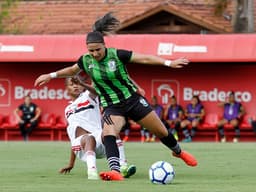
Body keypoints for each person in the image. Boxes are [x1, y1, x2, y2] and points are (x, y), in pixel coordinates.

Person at [34, 12, 197, 181]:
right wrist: (50, 75)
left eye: (98, 50)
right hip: (112, 106)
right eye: (91, 51)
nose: (95, 53)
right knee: (109, 132)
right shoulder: (86, 61)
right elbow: (71, 70)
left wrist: (169, 63)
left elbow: (145, 59)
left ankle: (178, 152)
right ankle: (116, 171)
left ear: (104, 45)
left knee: (160, 130)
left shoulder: (118, 55)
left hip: (132, 100)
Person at [59, 76, 136, 179]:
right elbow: (72, 135)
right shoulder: (67, 109)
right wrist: (71, 163)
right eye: (71, 84)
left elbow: (96, 88)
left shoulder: (89, 97)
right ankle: (92, 171)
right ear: (66, 89)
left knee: (111, 131)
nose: (75, 86)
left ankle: (122, 167)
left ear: (83, 86)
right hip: (80, 145)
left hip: (99, 141)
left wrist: (85, 81)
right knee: (88, 138)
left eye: (77, 83)